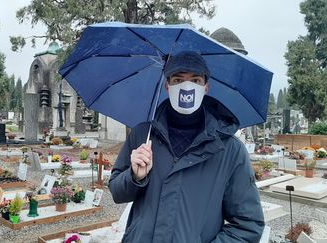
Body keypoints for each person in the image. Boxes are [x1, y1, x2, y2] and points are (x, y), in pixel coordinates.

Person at [109, 51, 264, 242]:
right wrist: (134, 177)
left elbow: (248, 225)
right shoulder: (143, 135)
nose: (186, 86)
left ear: (206, 87)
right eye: (178, 79)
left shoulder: (229, 150)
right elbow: (117, 192)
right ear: (167, 85)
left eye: (195, 80)